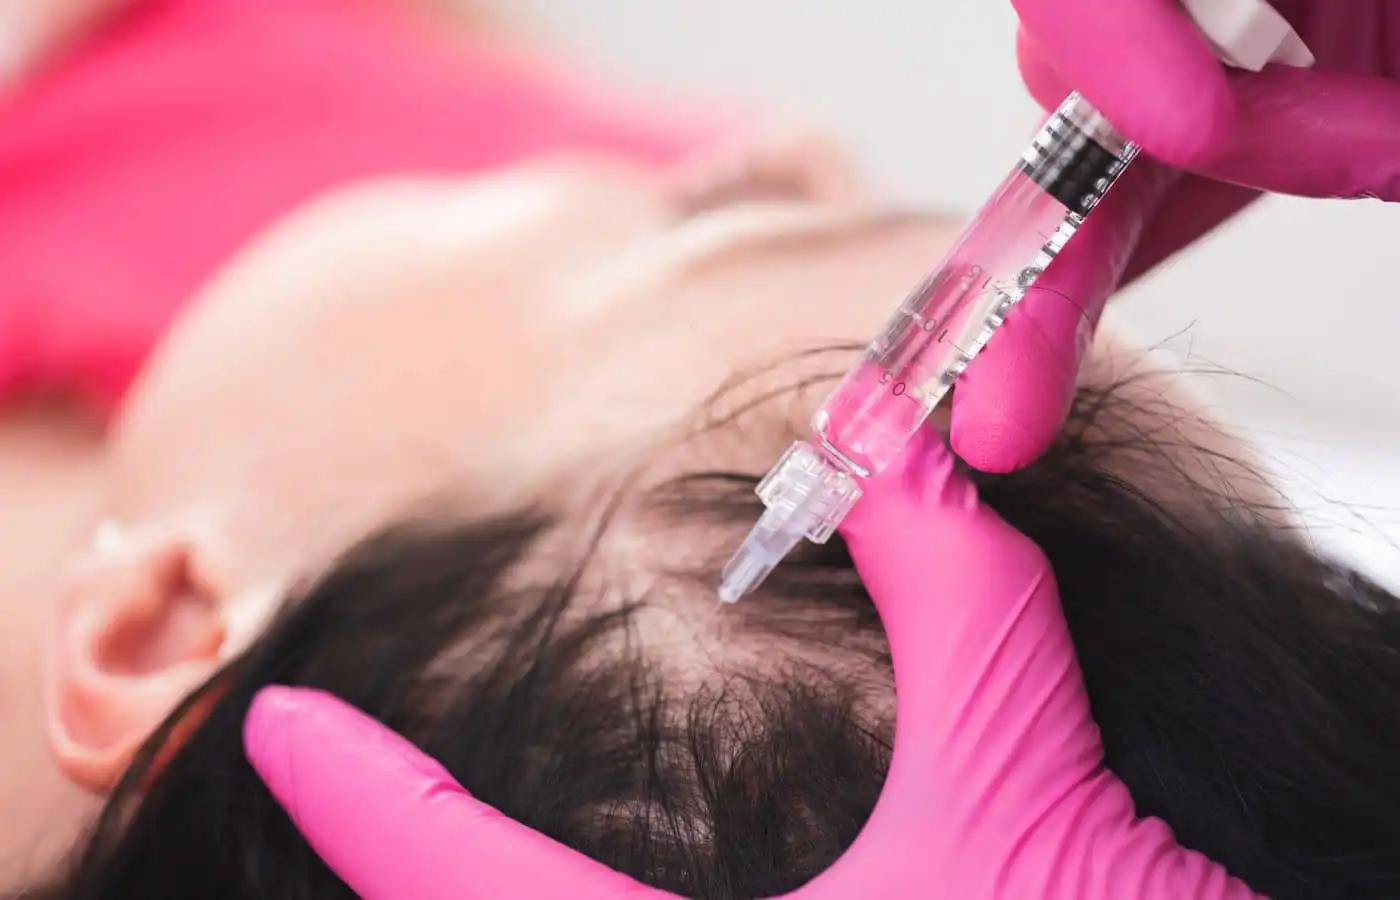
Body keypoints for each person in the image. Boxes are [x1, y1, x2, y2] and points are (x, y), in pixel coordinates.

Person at [0, 2, 1396, 899]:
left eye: (724, 238)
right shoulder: (438, 247)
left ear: (164, 624)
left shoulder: (386, 263)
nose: (788, 152)